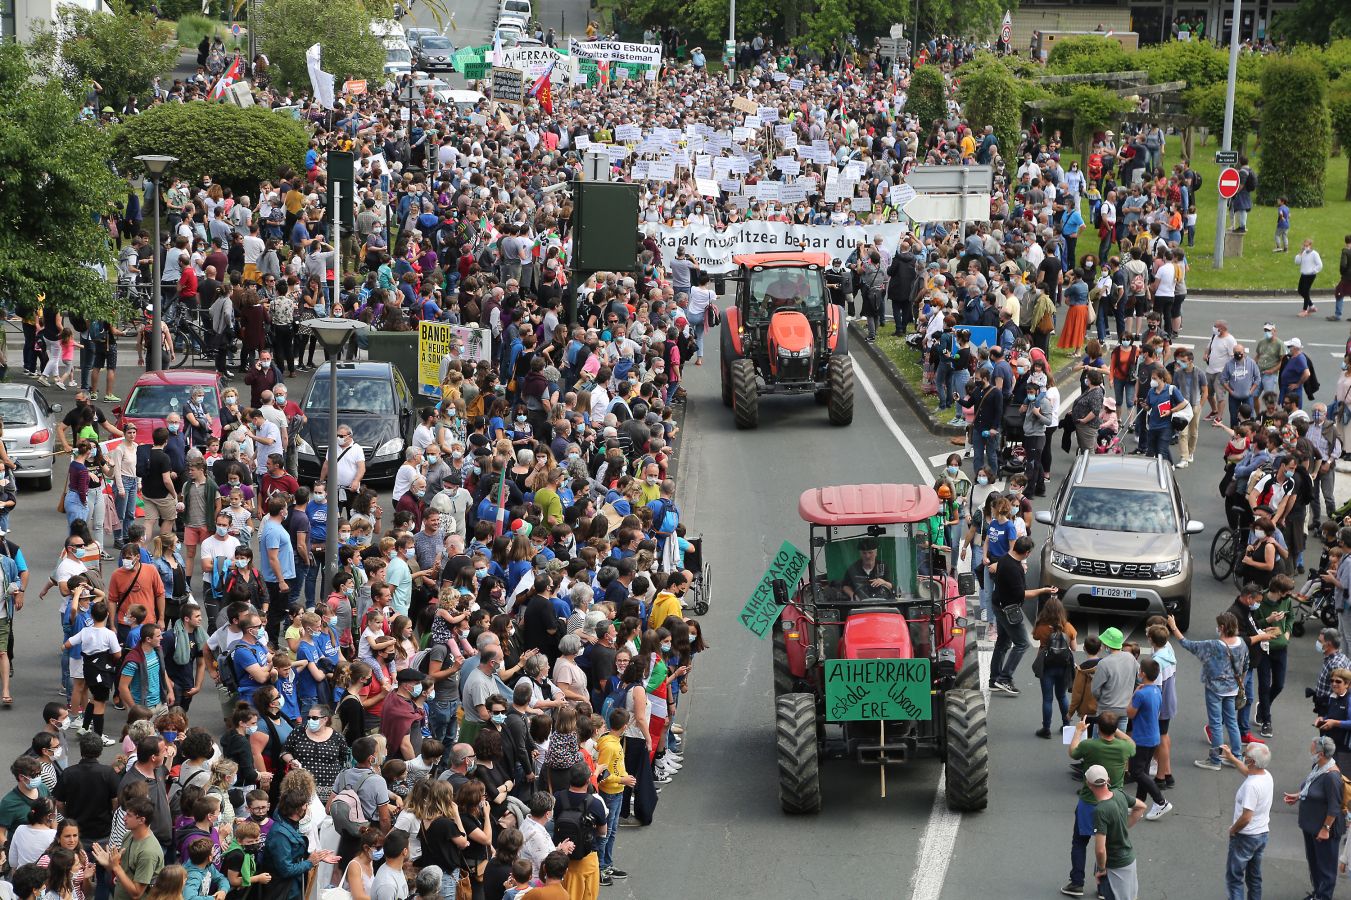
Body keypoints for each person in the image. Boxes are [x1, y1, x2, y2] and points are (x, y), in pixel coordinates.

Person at [1170, 612, 1246, 771]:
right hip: (1232, 688)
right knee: (1232, 722)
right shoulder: (1242, 643)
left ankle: (1215, 759)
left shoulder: (1213, 645)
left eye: (1218, 626)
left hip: (1214, 689)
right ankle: (1236, 757)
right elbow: (1245, 666)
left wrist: (1174, 627)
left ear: (1223, 627)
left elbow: (1187, 644)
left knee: (1216, 724)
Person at [989, 536, 1056, 695]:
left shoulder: (1004, 559)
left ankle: (994, 679)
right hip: (1009, 610)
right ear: (1026, 553)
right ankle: (1004, 678)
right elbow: (1023, 594)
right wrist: (1044, 590)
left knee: (1002, 643)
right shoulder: (1015, 568)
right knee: (1022, 644)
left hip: (998, 604)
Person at [1286, 735, 1345, 900]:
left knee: (1325, 867)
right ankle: (1317, 894)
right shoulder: (1318, 767)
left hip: (1323, 830)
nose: (1309, 752)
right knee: (1314, 863)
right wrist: (1298, 795)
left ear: (1320, 754)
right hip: (1311, 826)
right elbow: (1311, 786)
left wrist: (1326, 829)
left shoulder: (1332, 777)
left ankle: (1323, 896)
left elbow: (1334, 806)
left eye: (1312, 750)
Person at [1218, 741, 1273, 900]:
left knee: (1235, 878)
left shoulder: (1251, 786)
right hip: (1262, 834)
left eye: (1245, 756)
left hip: (1246, 836)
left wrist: (1233, 830)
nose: (1243, 757)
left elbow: (1246, 817)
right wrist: (1233, 758)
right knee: (1254, 876)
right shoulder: (1266, 775)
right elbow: (1248, 772)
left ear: (1252, 761)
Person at [1085, 763, 1146, 900]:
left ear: (1089, 784)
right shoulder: (1119, 794)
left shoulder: (1101, 810)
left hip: (1115, 865)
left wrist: (1101, 870)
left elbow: (1100, 850)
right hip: (1129, 858)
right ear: (1108, 781)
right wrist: (1124, 825)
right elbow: (1141, 806)